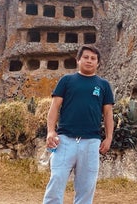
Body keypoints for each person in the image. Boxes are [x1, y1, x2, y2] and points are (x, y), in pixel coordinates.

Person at [43, 45, 114, 204]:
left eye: (93, 58)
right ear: (78, 60)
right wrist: (50, 131)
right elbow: (54, 107)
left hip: (91, 142)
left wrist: (108, 138)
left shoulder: (103, 85)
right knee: (56, 181)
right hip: (64, 141)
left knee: (86, 188)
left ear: (98, 63)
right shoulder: (66, 81)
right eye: (86, 57)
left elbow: (108, 113)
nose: (89, 61)